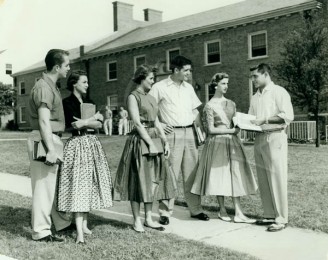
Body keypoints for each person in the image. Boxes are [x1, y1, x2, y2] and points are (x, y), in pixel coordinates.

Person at [113, 65, 176, 233]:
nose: (153, 82)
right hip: (140, 141)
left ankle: (148, 218)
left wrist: (165, 142)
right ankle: (137, 220)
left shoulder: (152, 98)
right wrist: (149, 143)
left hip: (154, 138)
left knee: (152, 180)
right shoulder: (133, 97)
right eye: (151, 79)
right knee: (138, 180)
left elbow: (156, 121)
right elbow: (138, 123)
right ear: (142, 78)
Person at [149, 55, 209, 225]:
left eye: (190, 70)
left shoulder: (188, 88)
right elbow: (148, 109)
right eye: (186, 70)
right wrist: (159, 124)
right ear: (176, 70)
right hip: (171, 135)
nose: (189, 73)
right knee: (170, 175)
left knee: (192, 173)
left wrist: (200, 132)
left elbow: (195, 112)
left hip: (189, 133)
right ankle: (165, 212)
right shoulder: (159, 87)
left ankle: (196, 209)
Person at [191, 73, 257, 223]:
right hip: (217, 143)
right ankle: (222, 209)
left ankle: (239, 212)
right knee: (219, 176)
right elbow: (210, 130)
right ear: (215, 85)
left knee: (235, 175)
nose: (226, 86)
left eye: (227, 83)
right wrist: (231, 131)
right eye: (223, 83)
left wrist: (240, 128)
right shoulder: (209, 106)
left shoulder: (232, 103)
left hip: (233, 143)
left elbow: (236, 124)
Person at [57, 70, 113, 243]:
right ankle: (79, 232)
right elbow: (70, 125)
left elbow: (99, 123)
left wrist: (86, 121)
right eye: (84, 82)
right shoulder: (66, 103)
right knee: (78, 184)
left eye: (87, 82)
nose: (87, 85)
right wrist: (91, 119)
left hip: (91, 144)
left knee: (89, 182)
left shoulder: (89, 102)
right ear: (74, 83)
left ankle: (84, 225)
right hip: (77, 145)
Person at [26, 49, 71, 242]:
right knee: (43, 187)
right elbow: (44, 121)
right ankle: (41, 231)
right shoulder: (44, 87)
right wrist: (51, 149)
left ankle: (60, 224)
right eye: (67, 65)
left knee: (50, 185)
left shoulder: (51, 85)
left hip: (51, 137)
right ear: (57, 67)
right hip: (45, 138)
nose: (68, 68)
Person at [248, 63, 294, 232]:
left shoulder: (278, 92)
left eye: (256, 76)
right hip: (259, 138)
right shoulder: (255, 96)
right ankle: (269, 214)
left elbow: (287, 116)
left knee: (277, 177)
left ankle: (281, 218)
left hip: (275, 137)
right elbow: (252, 117)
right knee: (263, 178)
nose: (253, 80)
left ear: (266, 74)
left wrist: (265, 120)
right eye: (252, 77)